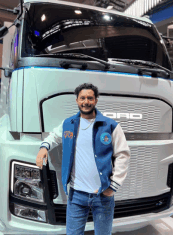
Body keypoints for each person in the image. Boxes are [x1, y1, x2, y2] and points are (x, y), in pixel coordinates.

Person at [36, 83, 131, 235]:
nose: (86, 101)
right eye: (82, 98)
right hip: (76, 195)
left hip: (102, 195)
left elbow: (123, 155)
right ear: (77, 101)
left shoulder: (110, 125)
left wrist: (113, 186)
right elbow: (54, 136)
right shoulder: (68, 124)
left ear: (96, 101)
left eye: (90, 98)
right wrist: (44, 147)